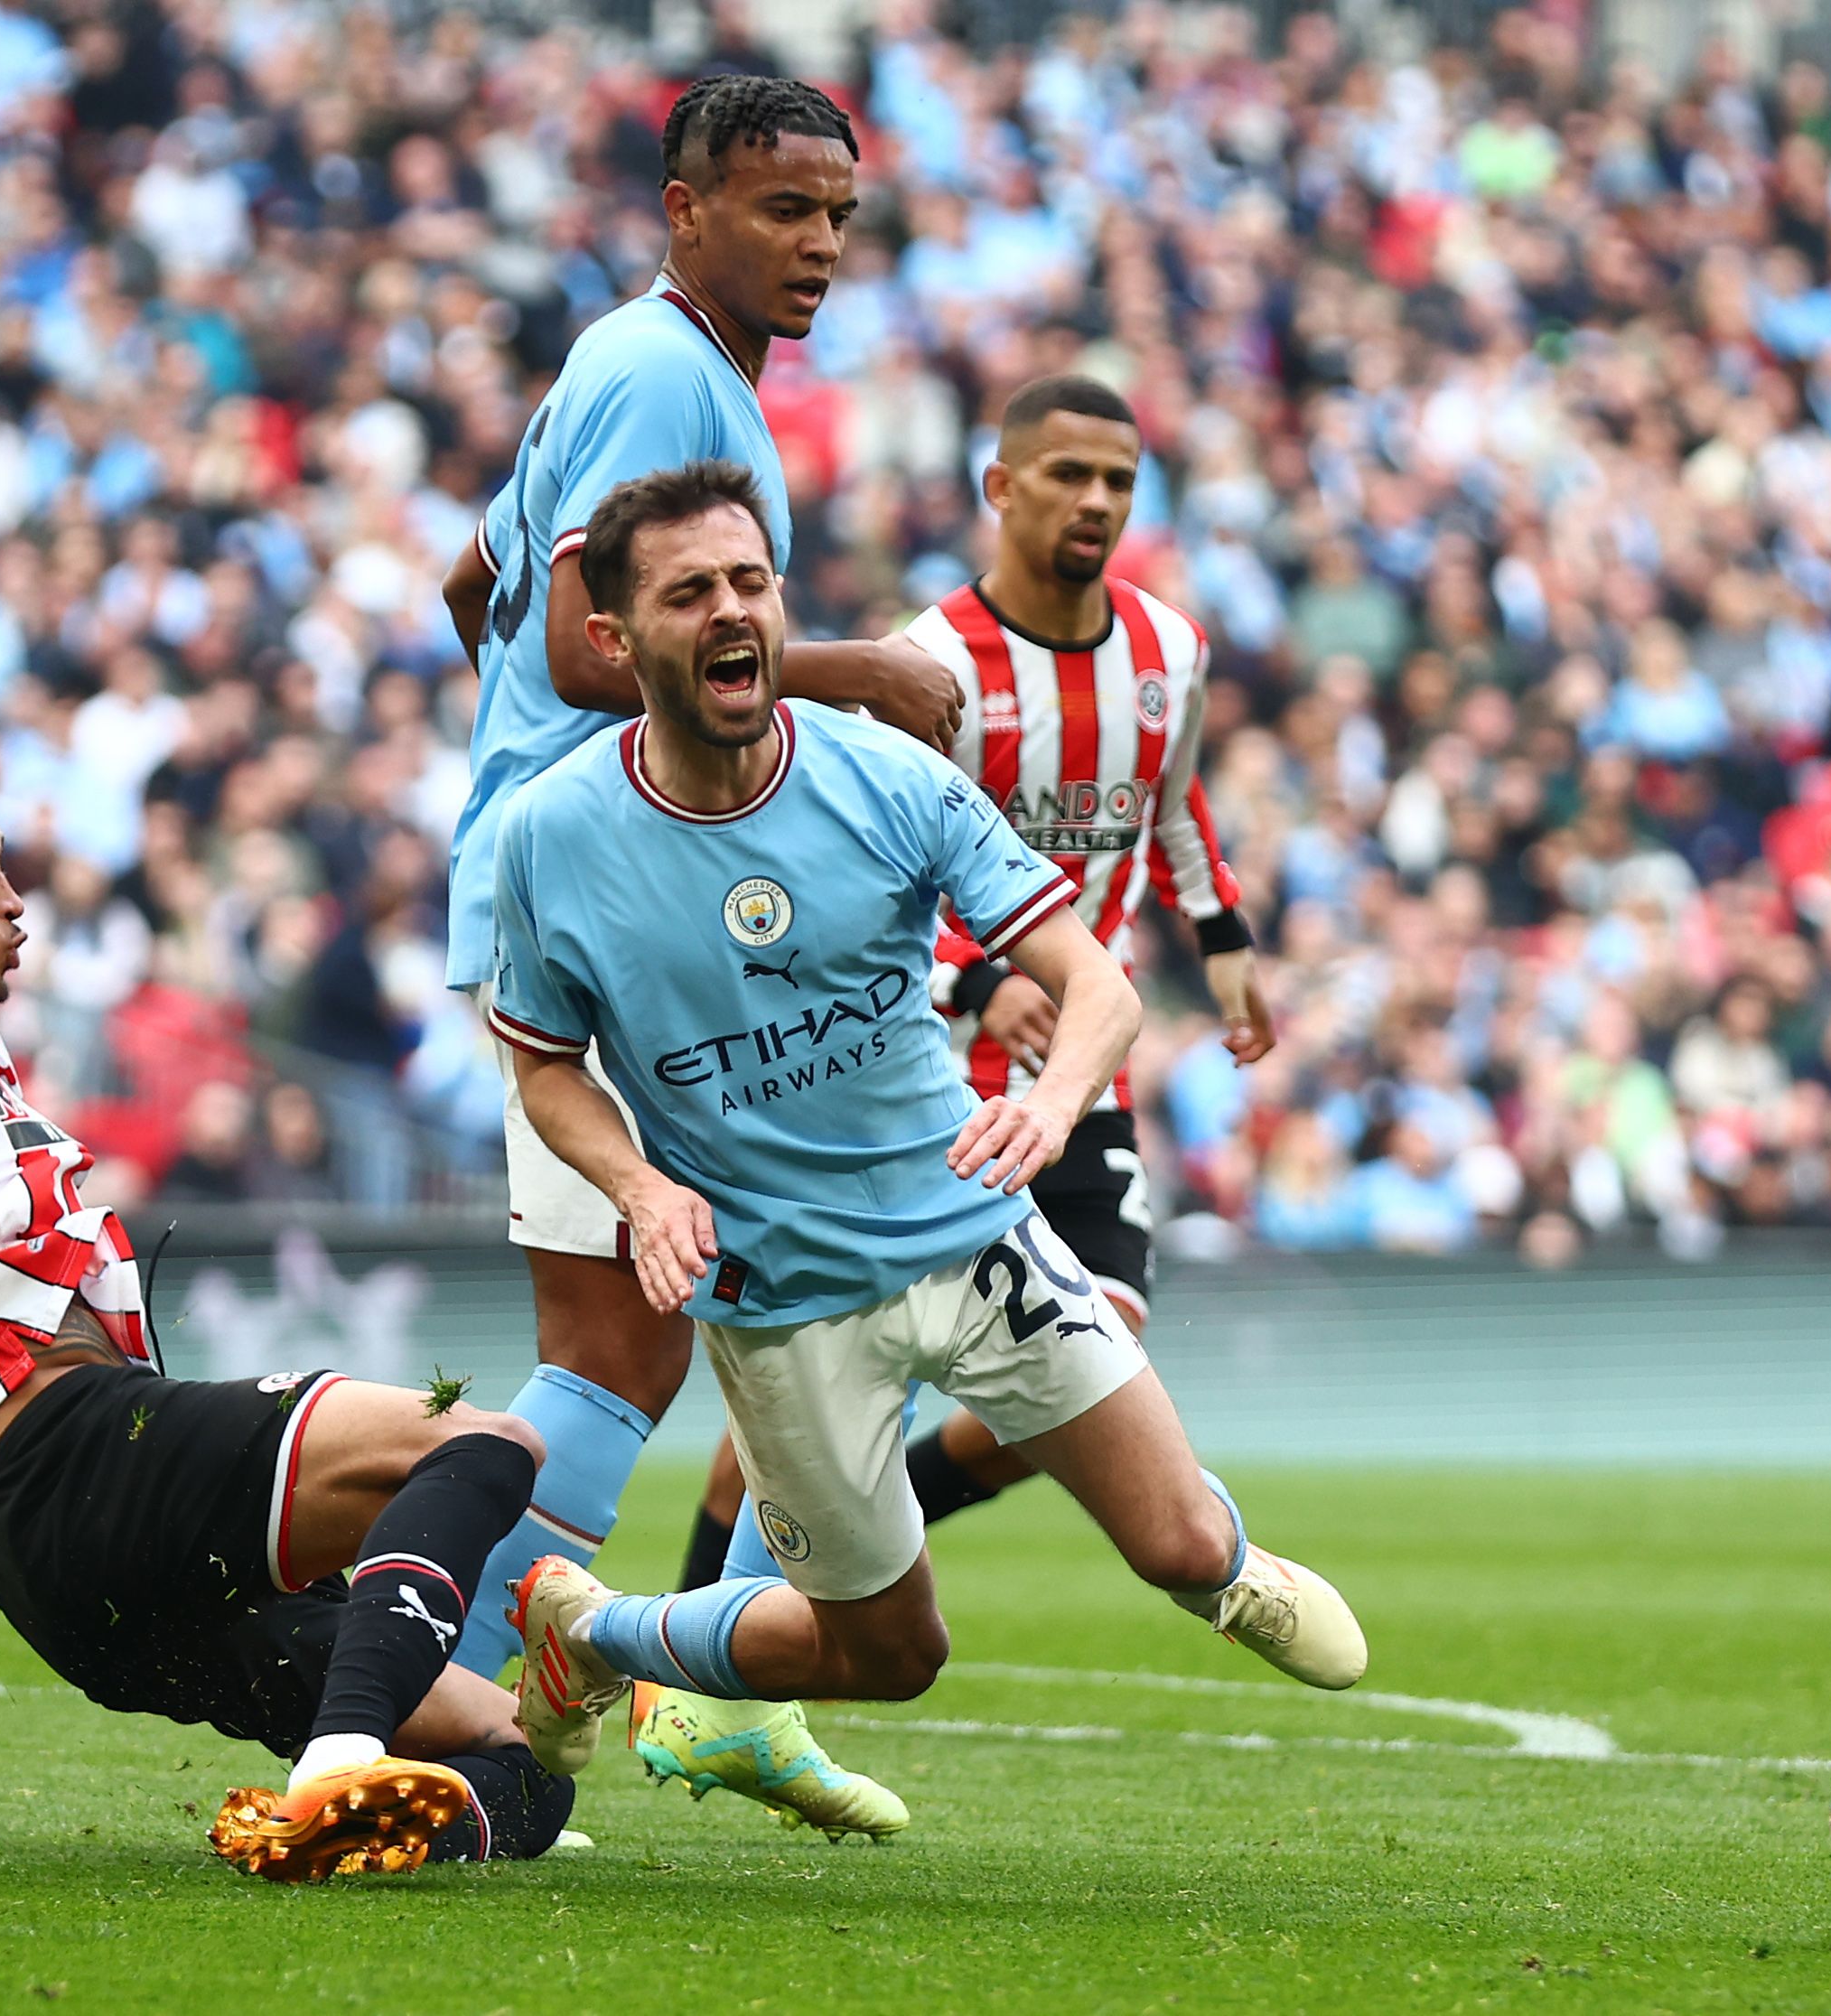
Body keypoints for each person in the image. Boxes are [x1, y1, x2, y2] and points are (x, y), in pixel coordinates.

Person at [490, 463, 1366, 1787]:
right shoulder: (549, 838)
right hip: (786, 1304)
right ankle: (592, 1634)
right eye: (690, 593)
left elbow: (1099, 984)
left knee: (1189, 1552)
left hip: (975, 1240)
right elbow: (545, 1068)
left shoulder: (885, 776)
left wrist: (1052, 1100)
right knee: (893, 1656)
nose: (734, 611)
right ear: (612, 639)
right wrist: (638, 1186)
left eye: (750, 582)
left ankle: (603, 1627)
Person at [0, 742, 570, 1884]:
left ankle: (386, 1808)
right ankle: (338, 1763)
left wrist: (13, 1561)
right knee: (481, 1444)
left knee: (517, 1756)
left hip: (62, 1563)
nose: (14, 898)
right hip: (85, 1451)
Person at [430, 74, 958, 1834]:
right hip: (608, 897)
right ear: (684, 208)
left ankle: (495, 1696)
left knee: (628, 1343)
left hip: (574, 871)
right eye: (779, 209)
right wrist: (852, 673)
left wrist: (516, 748)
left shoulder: (627, 363)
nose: (816, 246)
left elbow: (479, 581)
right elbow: (589, 651)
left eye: (837, 216)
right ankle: (431, 1699)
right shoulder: (669, 376)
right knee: (612, 1359)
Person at [677, 373, 1271, 1596]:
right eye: (1068, 475)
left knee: (1104, 1332)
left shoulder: (1171, 652)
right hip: (913, 1082)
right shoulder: (927, 664)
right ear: (1002, 487)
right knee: (789, 1410)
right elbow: (852, 869)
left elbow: (1171, 803)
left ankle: (876, 1521)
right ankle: (690, 1639)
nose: (1096, 500)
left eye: (1118, 479)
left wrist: (1223, 940)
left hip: (1071, 1081)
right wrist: (976, 980)